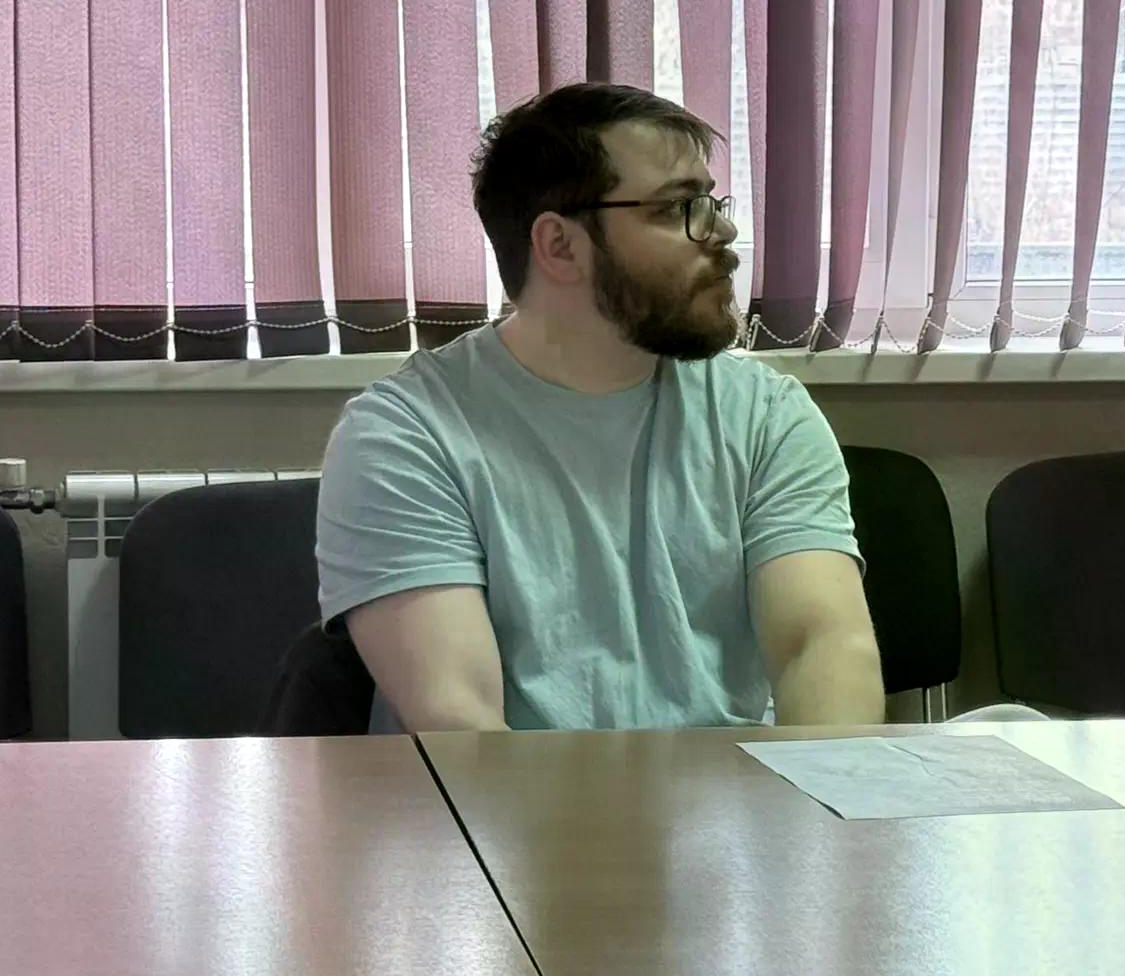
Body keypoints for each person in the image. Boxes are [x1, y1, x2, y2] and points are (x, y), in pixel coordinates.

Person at [316, 82, 884, 733]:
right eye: (679, 208)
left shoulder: (766, 415)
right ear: (560, 246)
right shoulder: (405, 437)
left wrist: (820, 789)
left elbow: (823, 644)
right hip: (513, 796)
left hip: (729, 792)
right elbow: (461, 725)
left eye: (713, 202)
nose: (723, 232)